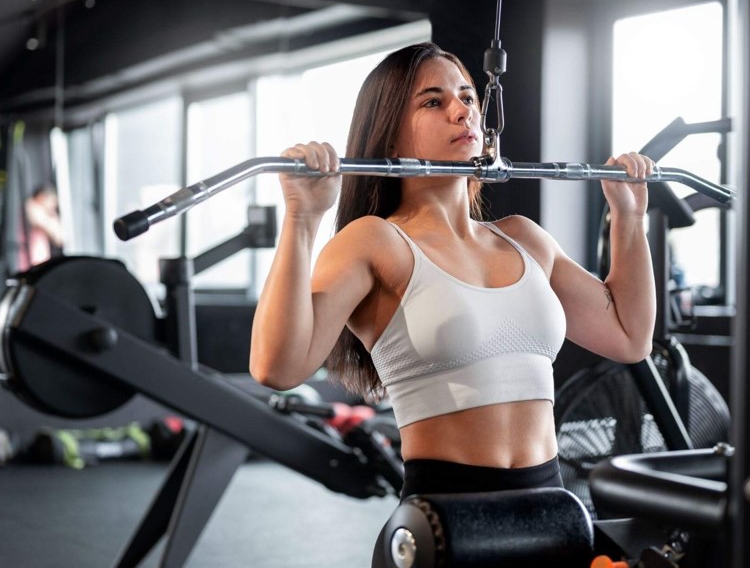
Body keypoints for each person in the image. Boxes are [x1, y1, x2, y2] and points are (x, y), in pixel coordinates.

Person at [249, 42, 656, 501]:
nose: (461, 112)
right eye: (432, 101)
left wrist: (630, 217)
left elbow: (629, 337)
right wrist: (303, 218)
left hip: (551, 502)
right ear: (389, 139)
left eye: (467, 97)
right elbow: (276, 368)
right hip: (448, 513)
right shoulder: (376, 242)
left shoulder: (524, 239)